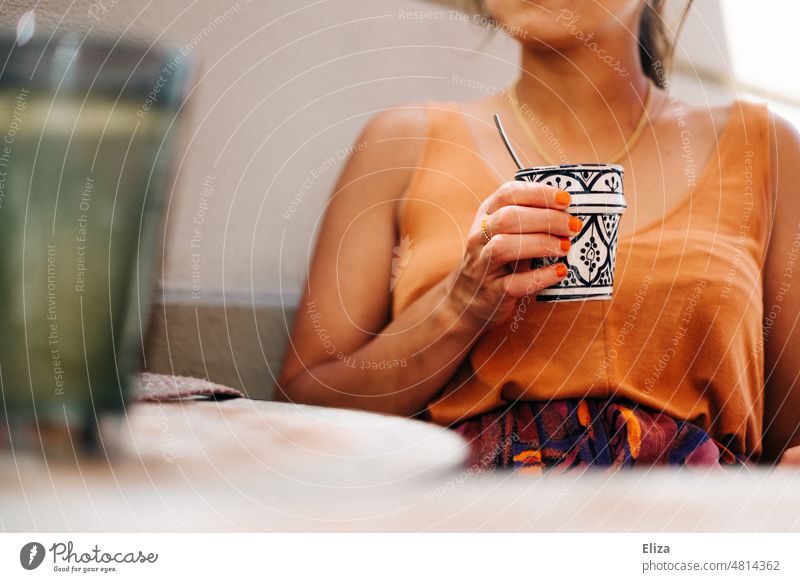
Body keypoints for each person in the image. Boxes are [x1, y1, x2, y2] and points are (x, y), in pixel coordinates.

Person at [277, 0, 800, 472]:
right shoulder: (400, 143)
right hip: (468, 527)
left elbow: (792, 436)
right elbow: (301, 412)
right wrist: (457, 307)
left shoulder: (764, 150)